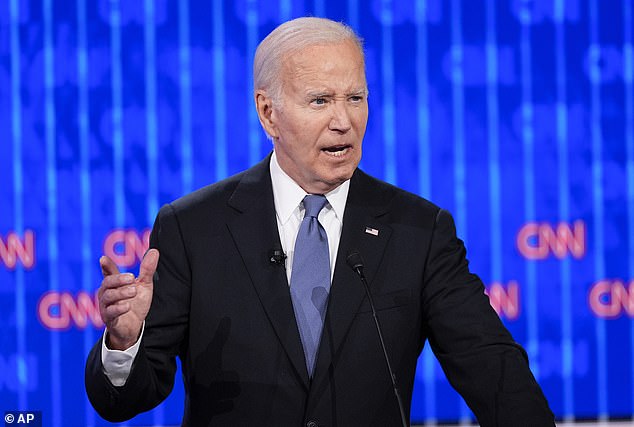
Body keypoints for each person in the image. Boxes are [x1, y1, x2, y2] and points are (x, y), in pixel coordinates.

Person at [85, 17, 555, 427]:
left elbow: (494, 371)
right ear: (268, 112)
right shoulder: (193, 228)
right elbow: (126, 400)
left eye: (355, 97)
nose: (344, 121)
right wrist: (124, 344)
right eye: (320, 101)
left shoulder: (419, 231)